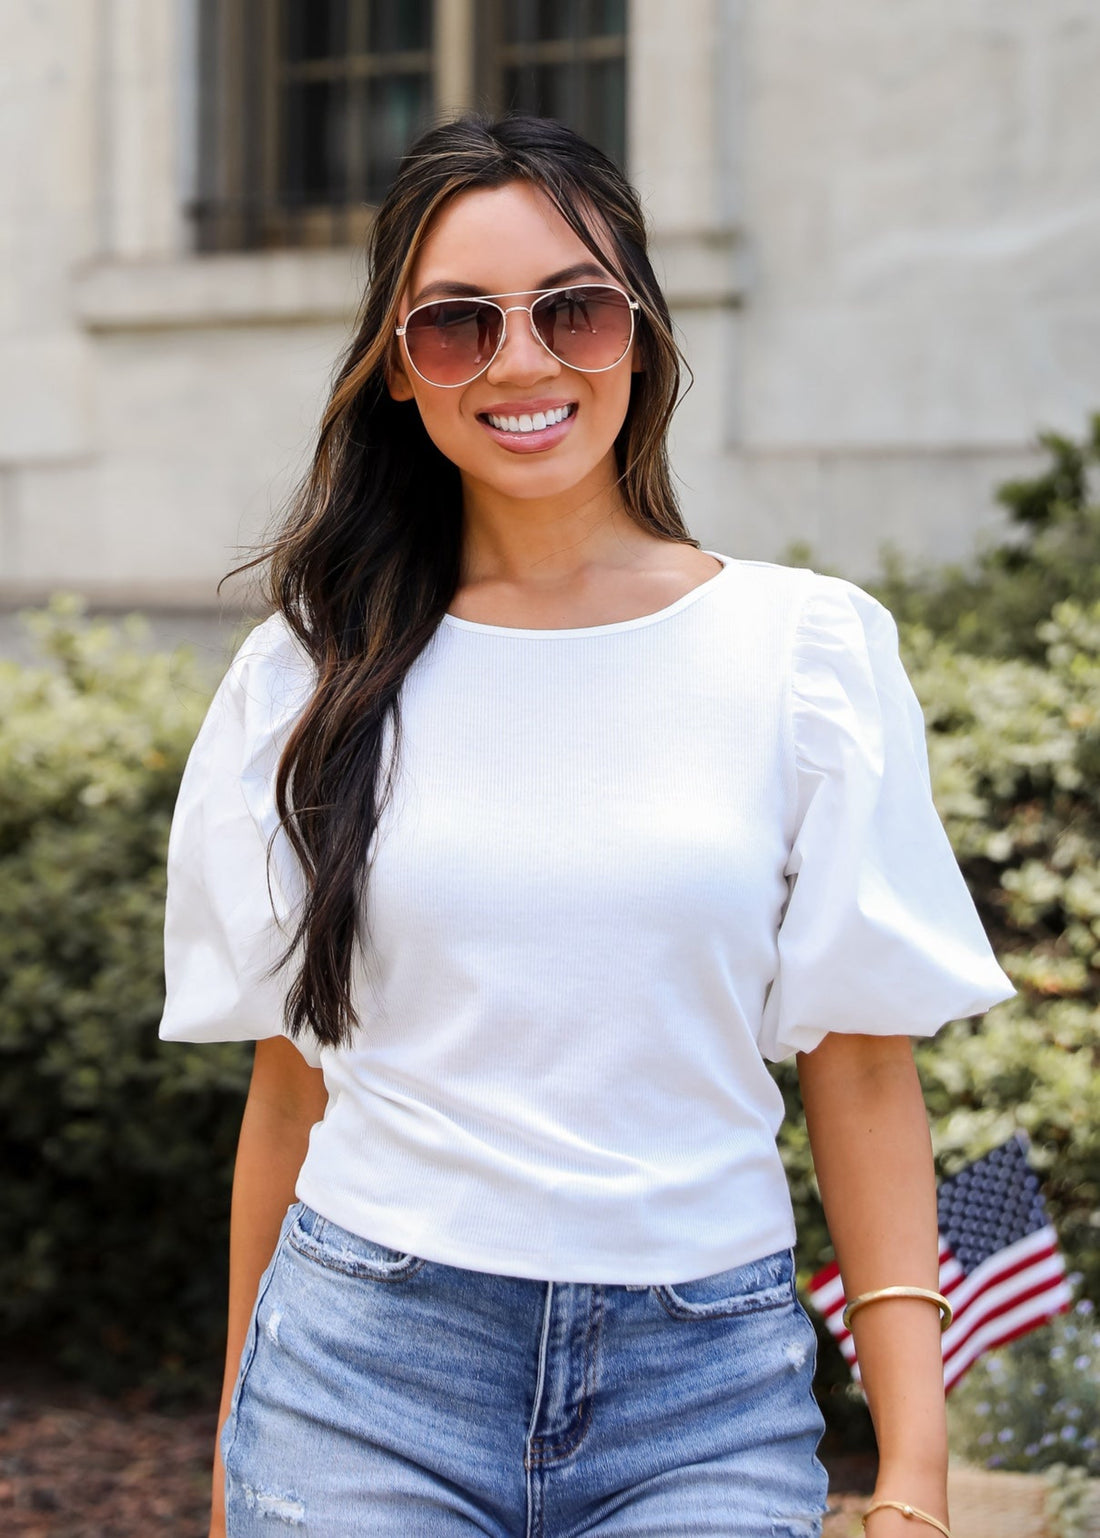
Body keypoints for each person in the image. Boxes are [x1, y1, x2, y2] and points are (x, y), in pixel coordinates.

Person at [159, 114, 1013, 1538]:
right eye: (454, 325)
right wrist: (238, 1446)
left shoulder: (804, 653)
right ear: (394, 368)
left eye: (574, 306)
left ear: (642, 330)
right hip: (362, 1372)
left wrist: (913, 1473)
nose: (522, 360)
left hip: (705, 1392)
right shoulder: (310, 674)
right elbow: (290, 1090)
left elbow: (864, 1075)